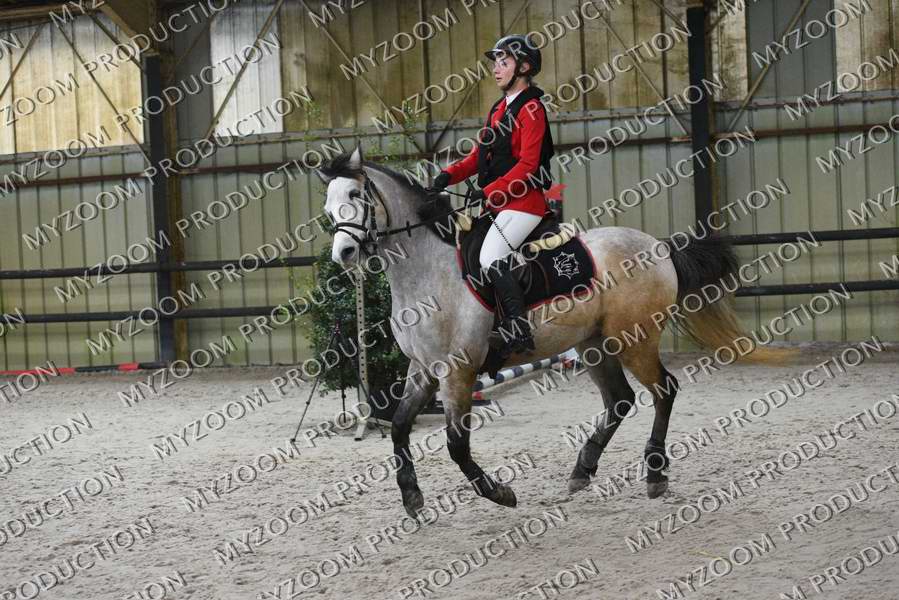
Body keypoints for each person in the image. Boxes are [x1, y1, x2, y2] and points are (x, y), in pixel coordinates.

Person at [427, 34, 555, 359]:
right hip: (499, 205)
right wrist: (448, 175)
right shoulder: (499, 109)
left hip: (524, 204)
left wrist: (487, 191)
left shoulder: (532, 109)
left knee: (490, 256)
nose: (496, 69)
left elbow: (528, 165)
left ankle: (518, 329)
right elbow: (478, 157)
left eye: (504, 62)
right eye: (495, 63)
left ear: (523, 68)